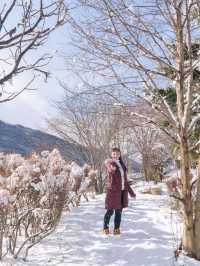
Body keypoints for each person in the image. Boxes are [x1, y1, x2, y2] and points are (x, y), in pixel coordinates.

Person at [102, 147, 136, 236]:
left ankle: (116, 229)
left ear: (120, 154)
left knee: (119, 212)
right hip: (112, 192)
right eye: (113, 154)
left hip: (121, 193)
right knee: (110, 211)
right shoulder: (110, 163)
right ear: (111, 155)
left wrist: (131, 193)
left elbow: (125, 181)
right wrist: (111, 168)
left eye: (117, 154)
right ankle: (105, 228)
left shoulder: (121, 165)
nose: (115, 155)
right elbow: (110, 169)